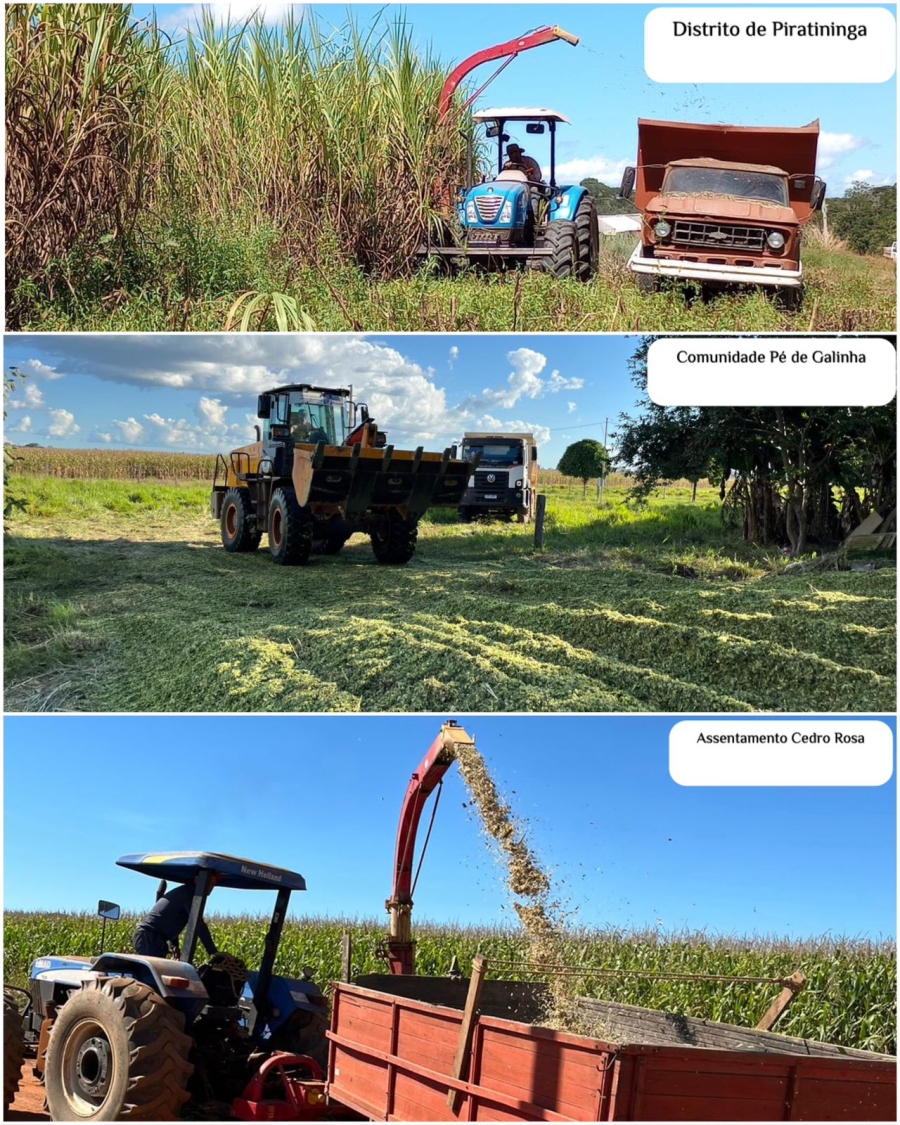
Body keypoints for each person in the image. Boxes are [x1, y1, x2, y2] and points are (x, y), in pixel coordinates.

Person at [132, 877, 218, 959]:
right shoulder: (188, 893)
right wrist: (213, 953)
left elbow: (170, 922)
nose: (211, 887)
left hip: (156, 939)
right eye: (209, 882)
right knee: (155, 971)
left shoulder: (187, 894)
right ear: (197, 879)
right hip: (149, 937)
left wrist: (174, 946)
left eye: (213, 884)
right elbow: (198, 924)